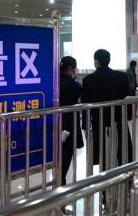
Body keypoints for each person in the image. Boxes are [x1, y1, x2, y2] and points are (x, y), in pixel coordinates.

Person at [82, 49, 132, 168]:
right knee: (122, 146)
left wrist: (85, 123)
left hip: (99, 119)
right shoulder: (121, 76)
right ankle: (125, 173)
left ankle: (104, 175)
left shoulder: (88, 79)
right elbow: (128, 96)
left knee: (102, 148)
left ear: (96, 61)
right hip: (118, 117)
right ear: (109, 60)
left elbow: (85, 103)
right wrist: (128, 116)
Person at [59, 56, 84, 186]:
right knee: (65, 158)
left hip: (54, 126)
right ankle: (60, 186)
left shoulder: (53, 81)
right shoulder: (73, 85)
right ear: (70, 68)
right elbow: (79, 91)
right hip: (69, 127)